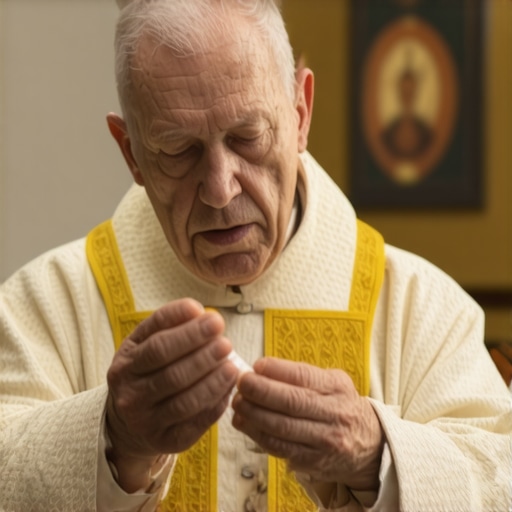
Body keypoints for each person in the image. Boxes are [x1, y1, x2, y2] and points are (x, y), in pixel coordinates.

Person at [0, 0, 510, 510]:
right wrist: (112, 440)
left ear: (300, 114)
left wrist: (377, 453)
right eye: (179, 151)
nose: (220, 189)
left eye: (247, 137)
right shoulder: (45, 306)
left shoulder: (425, 309)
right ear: (130, 151)